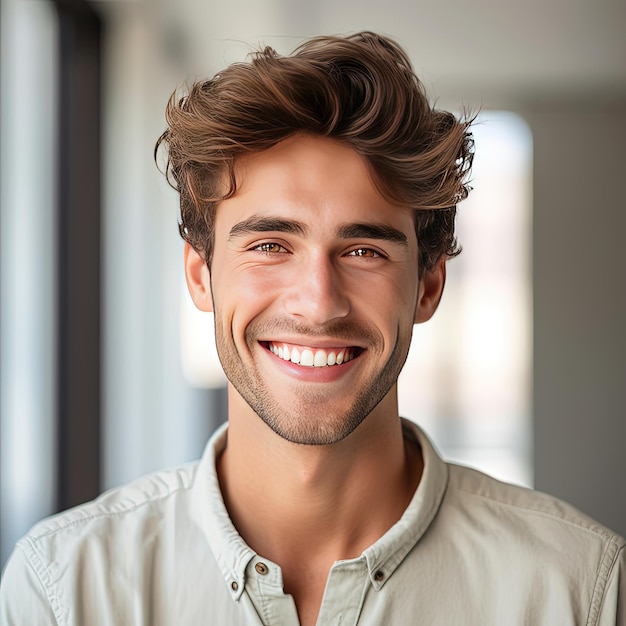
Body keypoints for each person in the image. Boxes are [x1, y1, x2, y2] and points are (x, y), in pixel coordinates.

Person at [1, 31, 624, 626]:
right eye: (271, 245)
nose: (319, 304)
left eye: (363, 251)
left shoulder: (580, 587)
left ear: (428, 285)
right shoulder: (64, 587)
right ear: (200, 276)